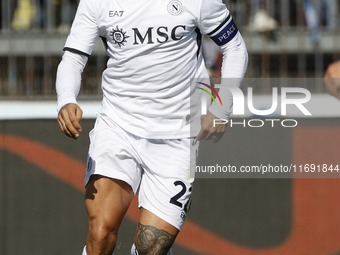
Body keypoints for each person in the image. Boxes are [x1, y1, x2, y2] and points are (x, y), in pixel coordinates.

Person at [55, 0, 248, 254]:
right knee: (100, 234)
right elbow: (73, 57)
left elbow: (235, 47)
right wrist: (66, 99)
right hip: (118, 126)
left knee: (151, 247)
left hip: (177, 135)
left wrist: (222, 106)